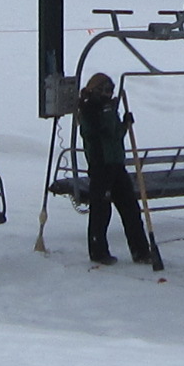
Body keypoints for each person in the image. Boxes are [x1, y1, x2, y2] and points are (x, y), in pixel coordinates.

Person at [75, 71, 157, 268]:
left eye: (111, 90)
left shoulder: (109, 109)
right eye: (105, 90)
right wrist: (106, 115)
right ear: (95, 90)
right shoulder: (88, 109)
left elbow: (115, 134)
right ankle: (98, 252)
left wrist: (125, 124)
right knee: (101, 211)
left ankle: (141, 251)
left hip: (117, 164)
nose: (109, 94)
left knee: (130, 209)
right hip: (101, 166)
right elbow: (95, 132)